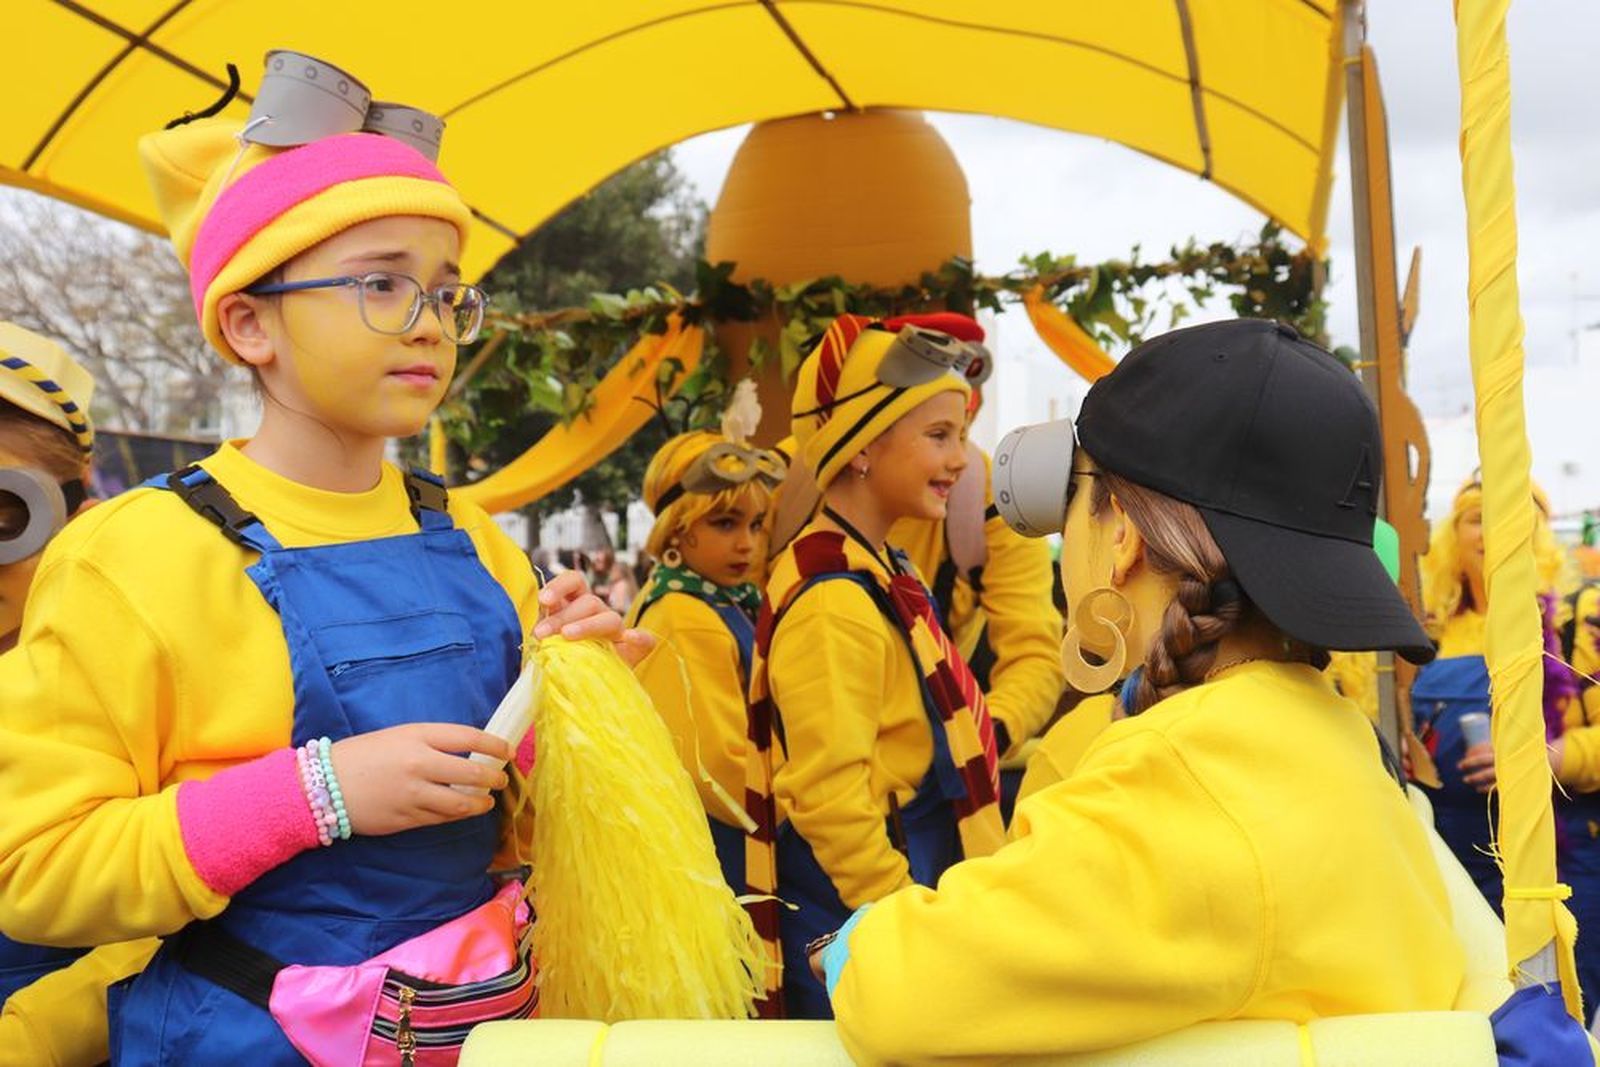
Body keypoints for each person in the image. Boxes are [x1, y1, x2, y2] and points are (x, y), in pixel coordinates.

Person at [0, 55, 642, 1064]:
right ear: (250, 323)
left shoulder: (471, 533)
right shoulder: (131, 556)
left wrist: (578, 698)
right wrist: (316, 792)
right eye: (381, 282)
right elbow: (38, 871)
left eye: (443, 289)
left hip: (477, 1021)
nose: (428, 319)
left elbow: (516, 803)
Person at [813, 319, 1464, 1062]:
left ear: (1119, 532)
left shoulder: (1181, 778)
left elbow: (904, 993)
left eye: (1076, 495)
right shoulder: (1342, 740)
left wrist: (852, 948)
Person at [744, 312, 1004, 1018]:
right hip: (861, 900)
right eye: (939, 436)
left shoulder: (877, 564)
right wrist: (901, 923)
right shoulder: (835, 597)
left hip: (895, 872)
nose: (960, 460)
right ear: (860, 448)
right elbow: (830, 797)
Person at [0, 322, 160, 1065]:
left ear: (78, 521)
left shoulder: (139, 686)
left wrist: (39, 1032)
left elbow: (191, 898)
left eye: (6, 514)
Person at [885, 319, 1063, 822]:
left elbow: (1034, 649)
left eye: (960, 430)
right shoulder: (793, 490)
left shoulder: (984, 497)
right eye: (937, 432)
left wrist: (984, 734)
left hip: (932, 766)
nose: (958, 459)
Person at [627, 382, 785, 892]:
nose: (746, 543)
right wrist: (818, 806)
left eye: (756, 524)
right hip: (725, 852)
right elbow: (719, 770)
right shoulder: (684, 614)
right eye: (724, 523)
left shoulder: (716, 597)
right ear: (677, 529)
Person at [1412, 477, 1570, 914]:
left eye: (1512, 517)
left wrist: (1538, 760)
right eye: (1479, 519)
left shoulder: (1575, 620)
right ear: (1454, 535)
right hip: (1445, 847)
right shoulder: (1428, 629)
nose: (1494, 531)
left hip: (1556, 852)